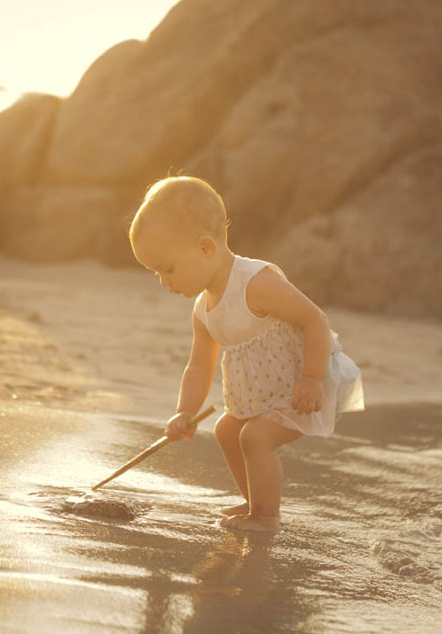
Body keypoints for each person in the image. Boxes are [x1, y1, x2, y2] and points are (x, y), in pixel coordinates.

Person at [129, 176, 365, 532]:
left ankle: (266, 516)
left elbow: (313, 318)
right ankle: (255, 501)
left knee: (254, 438)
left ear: (205, 248)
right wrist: (185, 412)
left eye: (168, 268)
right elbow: (198, 366)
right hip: (263, 393)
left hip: (303, 382)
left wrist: (313, 378)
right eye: (156, 272)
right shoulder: (203, 309)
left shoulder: (255, 282)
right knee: (227, 429)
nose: (164, 281)